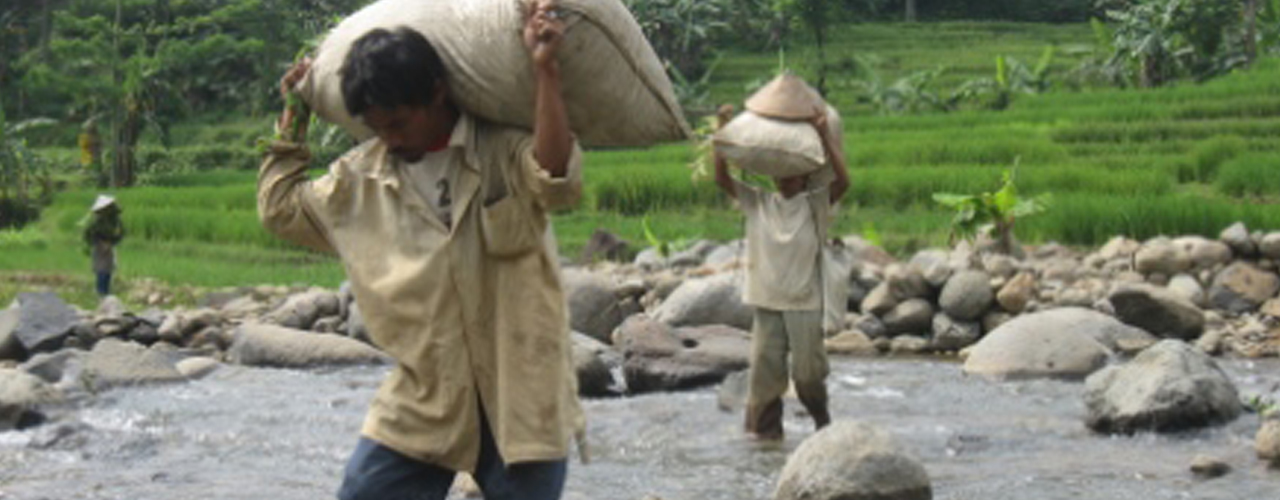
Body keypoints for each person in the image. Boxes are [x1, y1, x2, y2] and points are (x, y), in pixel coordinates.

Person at [257, 2, 584, 499]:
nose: (389, 138)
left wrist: (545, 72)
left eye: (399, 122)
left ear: (436, 93)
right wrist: (294, 119)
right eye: (377, 127)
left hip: (522, 391)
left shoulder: (497, 151)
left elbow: (555, 178)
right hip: (425, 395)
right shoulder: (358, 181)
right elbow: (281, 209)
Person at [713, 102, 850, 441]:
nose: (786, 180)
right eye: (781, 174)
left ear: (805, 174)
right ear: (772, 174)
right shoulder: (758, 201)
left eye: (793, 174)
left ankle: (822, 426)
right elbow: (721, 177)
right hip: (766, 301)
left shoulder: (815, 203)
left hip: (805, 302)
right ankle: (765, 440)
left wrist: (823, 135)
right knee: (764, 379)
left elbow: (843, 181)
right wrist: (722, 129)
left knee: (808, 376)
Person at [83, 195, 124, 297]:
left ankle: (105, 291)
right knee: (101, 269)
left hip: (109, 247)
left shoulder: (115, 222)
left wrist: (111, 243)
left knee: (108, 268)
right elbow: (89, 235)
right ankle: (101, 292)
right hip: (99, 247)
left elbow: (120, 234)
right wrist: (101, 244)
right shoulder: (97, 223)